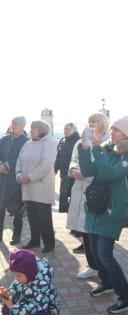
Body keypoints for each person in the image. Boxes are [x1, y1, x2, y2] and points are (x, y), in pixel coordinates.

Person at [78, 116, 128, 313]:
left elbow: (112, 173)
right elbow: (88, 170)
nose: (111, 133)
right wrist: (85, 149)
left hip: (112, 210)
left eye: (116, 130)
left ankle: (126, 296)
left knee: (105, 254)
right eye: (111, 129)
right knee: (96, 252)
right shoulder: (106, 149)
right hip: (96, 208)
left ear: (126, 134)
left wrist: (96, 149)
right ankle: (106, 282)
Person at [66, 112, 109, 278]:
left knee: (94, 230)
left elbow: (104, 165)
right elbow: (74, 159)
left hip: (96, 189)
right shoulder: (81, 140)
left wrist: (87, 173)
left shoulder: (106, 141)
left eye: (95, 121)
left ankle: (101, 266)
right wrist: (74, 170)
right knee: (84, 231)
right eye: (90, 121)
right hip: (79, 187)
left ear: (103, 124)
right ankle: (92, 265)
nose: (92, 123)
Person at [16, 120, 56, 253]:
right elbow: (19, 161)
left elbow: (45, 165)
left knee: (44, 218)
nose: (31, 130)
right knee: (32, 216)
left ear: (41, 130)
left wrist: (30, 177)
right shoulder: (27, 144)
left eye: (34, 128)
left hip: (41, 187)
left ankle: (49, 243)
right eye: (31, 128)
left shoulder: (49, 144)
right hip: (28, 187)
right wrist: (19, 175)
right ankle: (34, 240)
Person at [0, 249, 59, 315]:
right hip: (25, 305)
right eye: (15, 275)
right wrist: (7, 295)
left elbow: (36, 307)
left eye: (18, 275)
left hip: (44, 309)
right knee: (6, 308)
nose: (16, 278)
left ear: (29, 273)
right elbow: (14, 288)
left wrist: (12, 307)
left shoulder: (43, 285)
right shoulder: (22, 278)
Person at [0, 116, 29, 244]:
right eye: (12, 122)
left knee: (17, 210)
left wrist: (8, 165)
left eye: (16, 123)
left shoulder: (26, 142)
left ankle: (16, 236)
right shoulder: (4, 139)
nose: (13, 125)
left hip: (16, 181)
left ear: (22, 126)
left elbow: (23, 159)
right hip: (2, 179)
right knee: (0, 208)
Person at [54, 122, 80, 212]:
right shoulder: (62, 140)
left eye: (67, 129)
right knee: (64, 193)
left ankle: (71, 212)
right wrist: (55, 168)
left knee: (71, 195)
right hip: (63, 172)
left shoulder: (78, 141)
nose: (65, 131)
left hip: (73, 173)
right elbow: (58, 156)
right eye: (64, 129)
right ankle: (66, 211)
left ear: (74, 130)